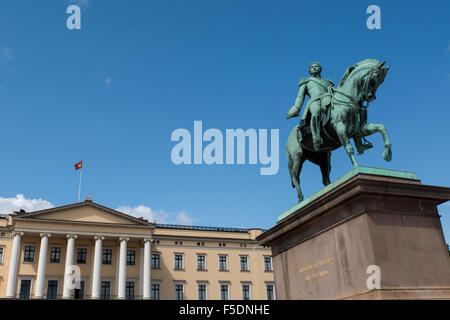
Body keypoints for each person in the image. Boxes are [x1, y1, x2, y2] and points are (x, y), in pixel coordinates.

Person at [286, 62, 334, 151]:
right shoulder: (306, 81)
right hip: (315, 101)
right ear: (309, 70)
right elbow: (300, 97)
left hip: (328, 101)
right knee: (315, 111)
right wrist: (296, 108)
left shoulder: (328, 82)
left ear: (320, 69)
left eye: (317, 66)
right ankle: (316, 137)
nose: (314, 68)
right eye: (312, 67)